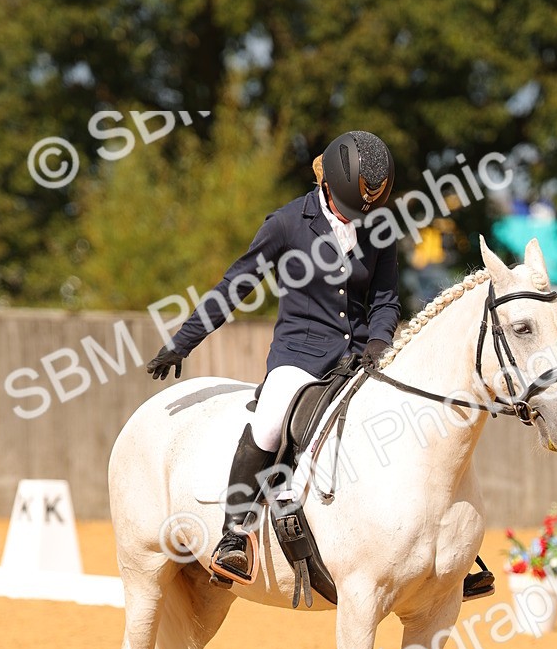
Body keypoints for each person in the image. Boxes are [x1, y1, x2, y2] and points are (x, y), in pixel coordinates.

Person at [146, 129, 400, 581]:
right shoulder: (286, 224)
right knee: (267, 422)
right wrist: (181, 341)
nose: (359, 219)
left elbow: (385, 299)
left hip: (362, 356)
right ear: (329, 188)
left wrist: (381, 340)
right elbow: (234, 287)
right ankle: (234, 534)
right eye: (350, 209)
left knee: (408, 416)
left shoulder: (378, 226)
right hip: (300, 357)